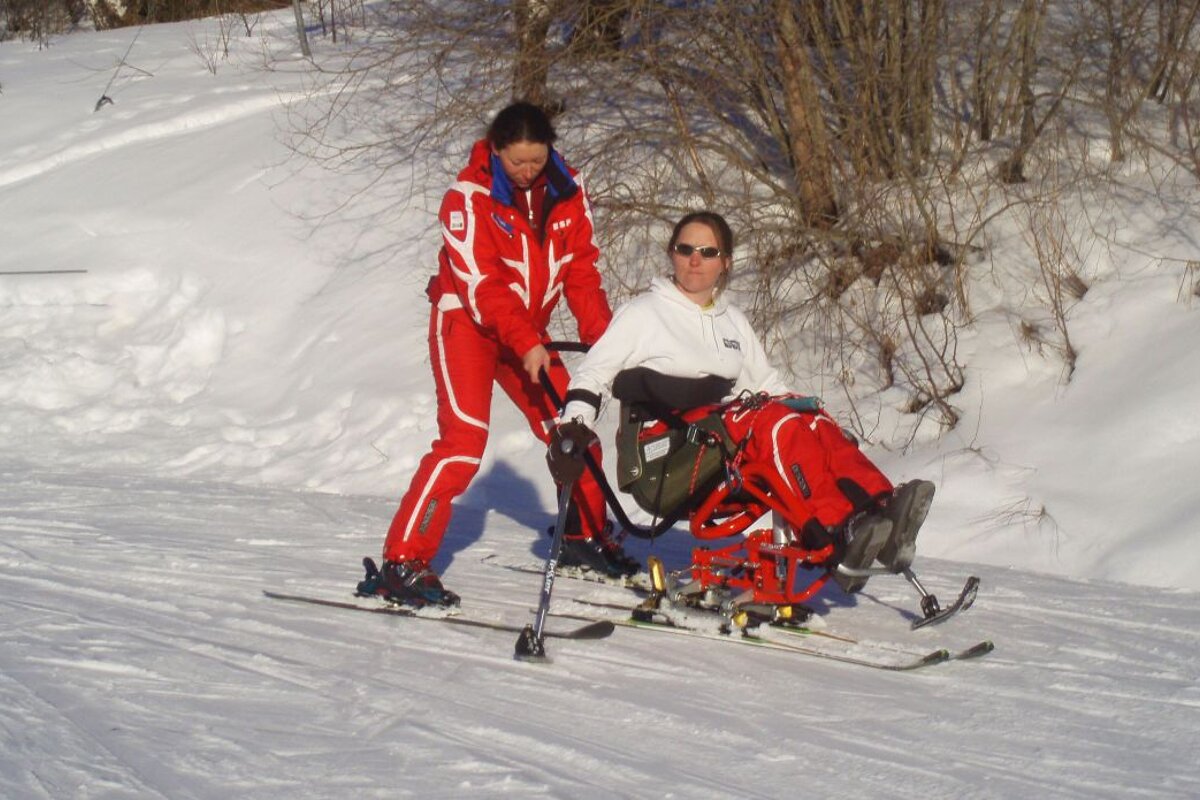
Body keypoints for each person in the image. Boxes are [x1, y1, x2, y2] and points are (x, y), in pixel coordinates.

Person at [549, 211, 935, 593]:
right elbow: (593, 372)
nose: (695, 259)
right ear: (672, 254)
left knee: (811, 419)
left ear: (725, 262)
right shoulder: (644, 313)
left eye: (707, 251)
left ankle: (880, 510)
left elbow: (767, 384)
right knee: (773, 423)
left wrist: (805, 413)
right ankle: (834, 530)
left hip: (718, 441)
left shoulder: (732, 321)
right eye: (685, 249)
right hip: (665, 457)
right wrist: (575, 424)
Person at [359, 101, 636, 608]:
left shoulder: (569, 191)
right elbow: (482, 285)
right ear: (496, 150)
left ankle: (582, 537)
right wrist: (526, 340)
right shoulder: (468, 198)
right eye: (517, 163)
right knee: (463, 443)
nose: (529, 172)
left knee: (574, 432)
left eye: (537, 160)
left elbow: (581, 273)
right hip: (467, 324)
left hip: (526, 333)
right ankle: (404, 560)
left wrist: (609, 345)